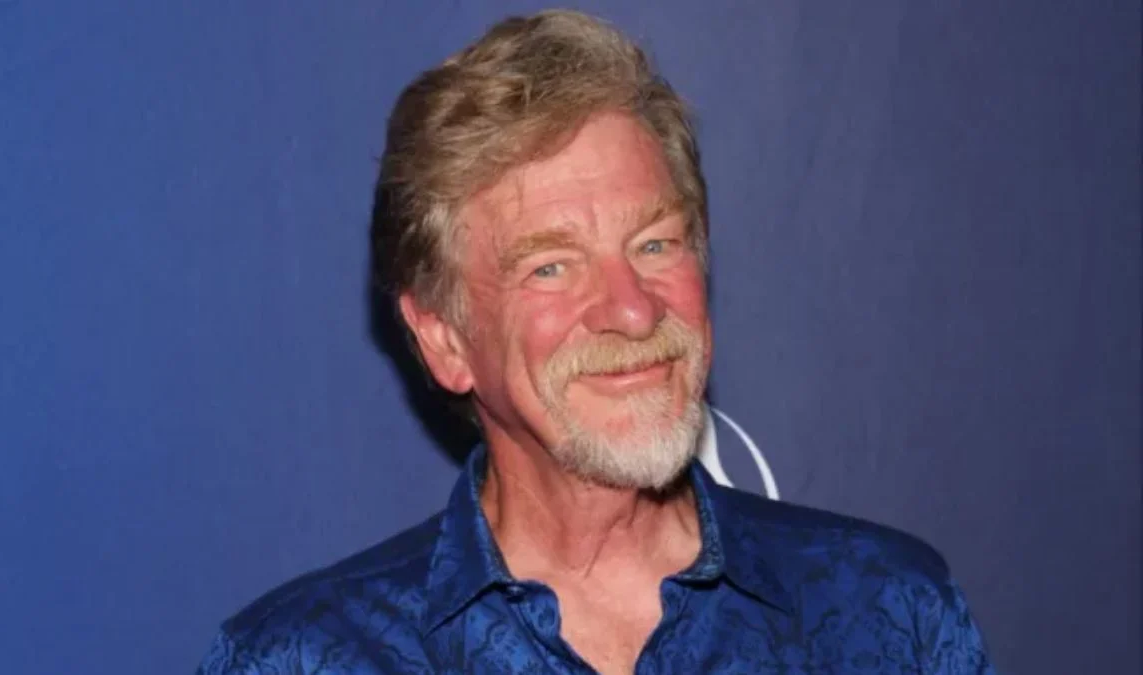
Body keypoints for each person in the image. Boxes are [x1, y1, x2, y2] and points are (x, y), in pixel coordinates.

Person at [196, 9, 995, 674]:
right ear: (444, 338)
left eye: (655, 245)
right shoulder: (306, 658)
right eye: (550, 266)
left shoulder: (887, 615)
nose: (634, 311)